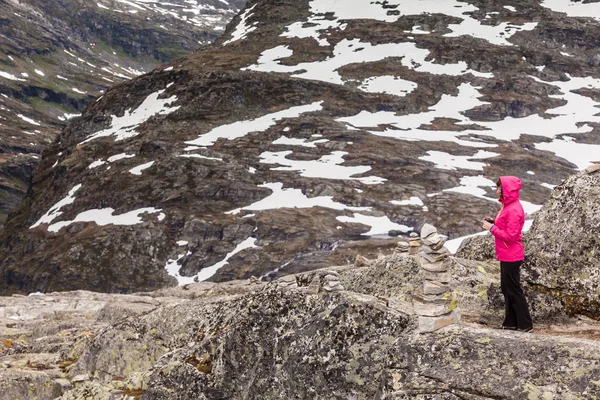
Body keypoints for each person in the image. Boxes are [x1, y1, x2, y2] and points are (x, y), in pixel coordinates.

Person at [482, 176, 533, 332]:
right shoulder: (508, 206)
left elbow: (511, 236)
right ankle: (510, 322)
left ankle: (525, 324)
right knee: (506, 288)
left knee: (513, 289)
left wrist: (491, 229)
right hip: (506, 254)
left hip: (511, 254)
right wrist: (494, 223)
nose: (497, 191)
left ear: (507, 191)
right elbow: (506, 228)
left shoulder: (514, 210)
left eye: (499, 188)